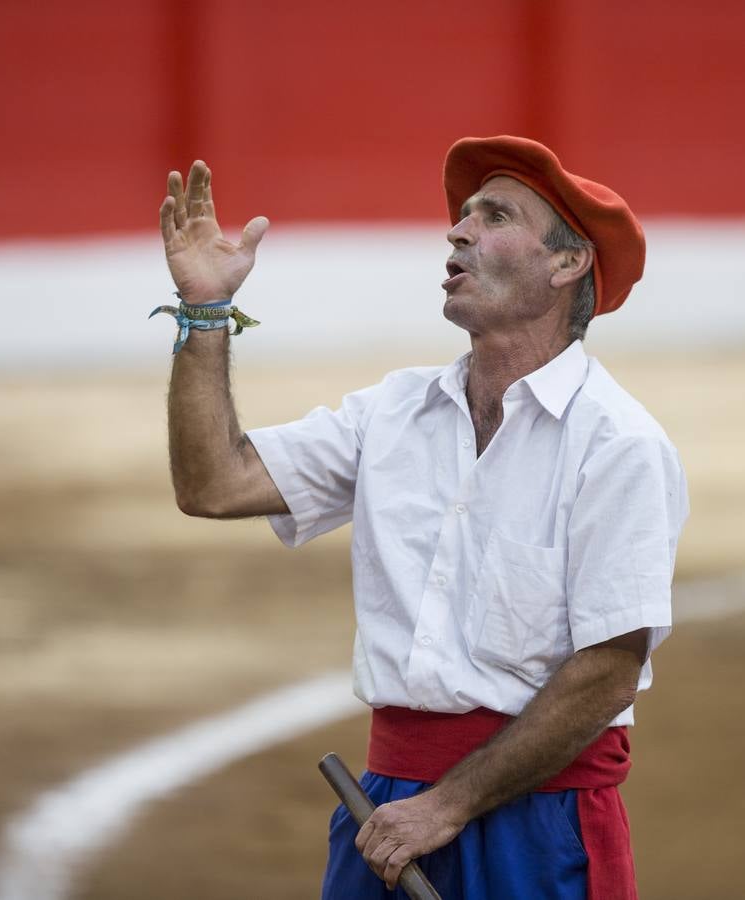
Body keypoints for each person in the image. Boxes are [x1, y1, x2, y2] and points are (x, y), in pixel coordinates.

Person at [157, 136, 688, 900]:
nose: (458, 231)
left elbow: (607, 669)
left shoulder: (618, 443)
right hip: (388, 808)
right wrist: (205, 313)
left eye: (494, 215)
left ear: (568, 264)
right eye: (462, 215)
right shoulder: (393, 412)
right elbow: (214, 482)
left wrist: (446, 805)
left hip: (539, 826)